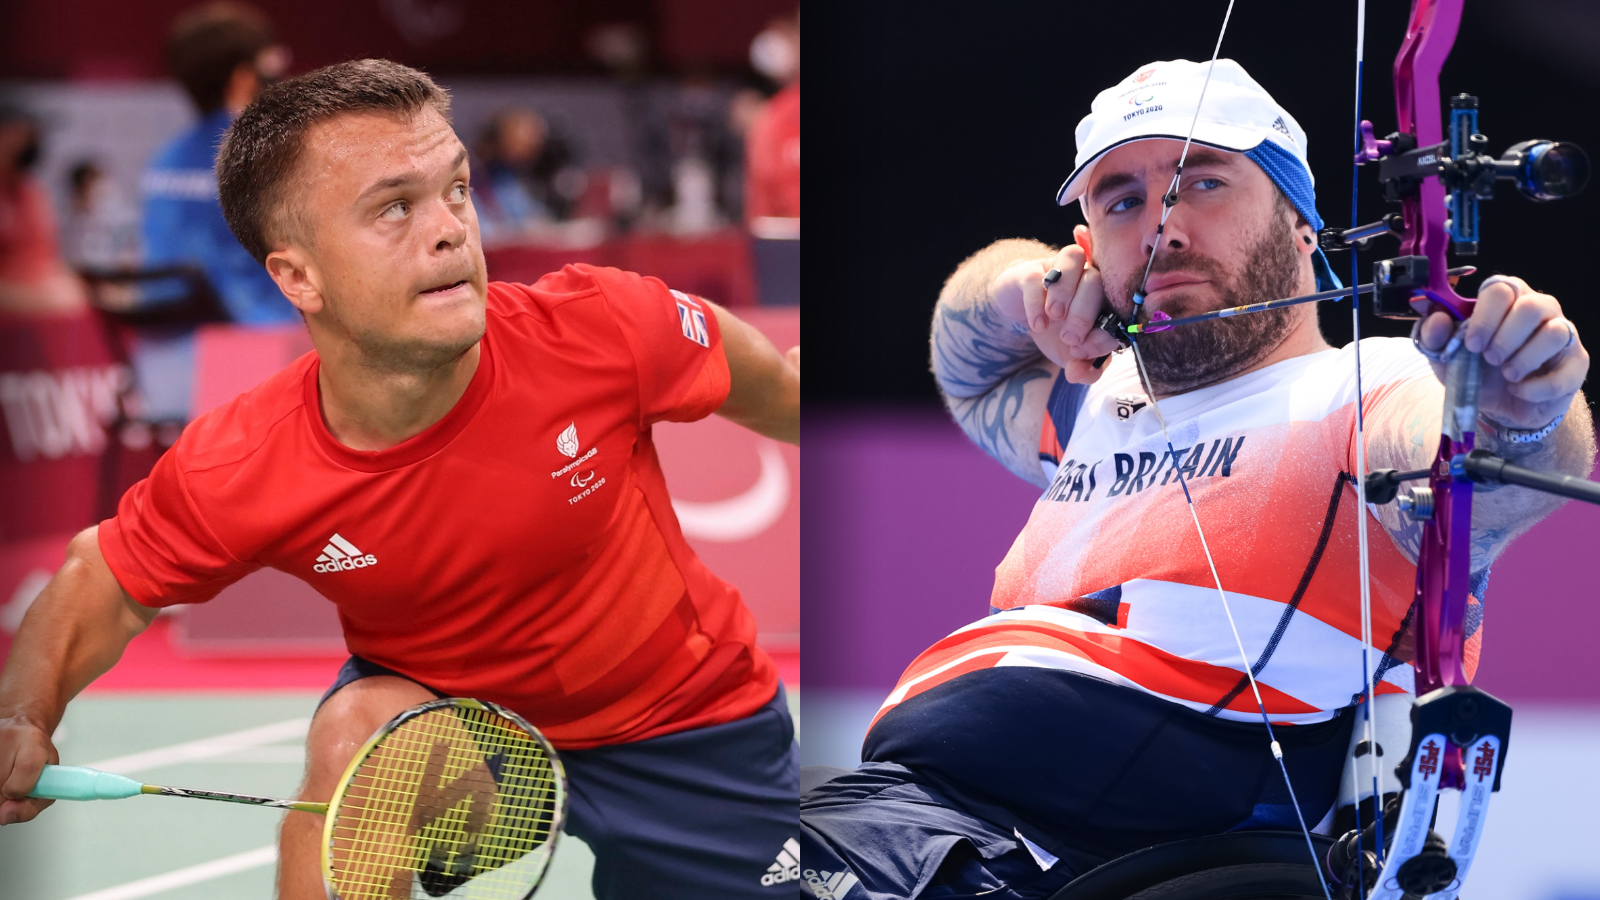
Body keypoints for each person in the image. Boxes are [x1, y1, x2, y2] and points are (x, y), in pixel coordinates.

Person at [0, 59, 801, 900]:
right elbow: (106, 579)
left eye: (456, 190)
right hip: (466, 745)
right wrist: (25, 714)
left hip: (687, 720)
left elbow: (781, 392)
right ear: (297, 275)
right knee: (356, 732)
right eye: (394, 208)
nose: (452, 228)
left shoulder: (601, 327)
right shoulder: (249, 458)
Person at [799, 59, 1594, 900]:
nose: (1161, 227)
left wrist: (1525, 404)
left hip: (1043, 845)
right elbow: (970, 366)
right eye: (1121, 201)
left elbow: (1495, 476)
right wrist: (1023, 286)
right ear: (1088, 250)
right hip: (913, 813)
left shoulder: (1367, 386)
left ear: (1301, 224)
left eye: (1203, 181)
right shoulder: (1096, 405)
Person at [142, 1, 296, 323]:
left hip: (169, 337)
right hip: (254, 341)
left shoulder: (164, 158)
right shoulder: (265, 154)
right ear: (243, 78)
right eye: (270, 65)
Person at [0, 100, 89, 317]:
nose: (33, 143)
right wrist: (45, 298)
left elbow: (45, 258)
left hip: (40, 311)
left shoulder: (33, 193)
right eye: (24, 134)